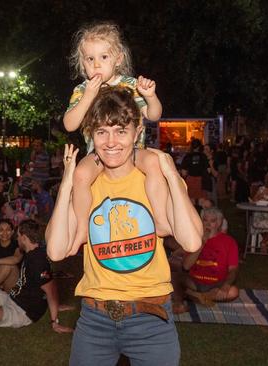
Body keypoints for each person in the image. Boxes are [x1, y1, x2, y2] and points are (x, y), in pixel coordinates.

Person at [46, 87, 202, 365]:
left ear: (137, 131)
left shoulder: (154, 178)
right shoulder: (87, 184)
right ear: (92, 135)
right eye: (101, 132)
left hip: (151, 319)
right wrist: (67, 183)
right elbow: (57, 252)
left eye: (120, 130)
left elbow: (191, 243)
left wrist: (170, 172)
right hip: (95, 320)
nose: (110, 142)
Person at [62, 21, 169, 249]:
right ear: (83, 63)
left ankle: (160, 218)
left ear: (118, 59)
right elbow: (70, 124)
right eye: (90, 59)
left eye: (103, 57)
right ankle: (82, 229)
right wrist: (88, 97)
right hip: (99, 154)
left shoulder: (132, 86)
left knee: (154, 163)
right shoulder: (81, 90)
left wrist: (150, 96)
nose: (96, 64)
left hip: (133, 151)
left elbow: (154, 114)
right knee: (80, 175)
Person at [0, 219, 73, 333]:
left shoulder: (38, 261)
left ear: (24, 238)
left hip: (22, 312)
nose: (17, 239)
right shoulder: (31, 253)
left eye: (18, 236)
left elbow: (51, 290)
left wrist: (55, 322)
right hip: (12, 299)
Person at [175, 207, 239, 312]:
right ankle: (180, 302)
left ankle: (194, 295)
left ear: (219, 223)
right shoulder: (195, 239)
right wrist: (202, 242)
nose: (208, 224)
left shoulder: (229, 242)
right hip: (194, 282)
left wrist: (226, 286)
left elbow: (233, 269)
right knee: (175, 277)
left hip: (217, 285)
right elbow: (186, 266)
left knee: (233, 292)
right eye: (205, 220)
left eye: (212, 221)